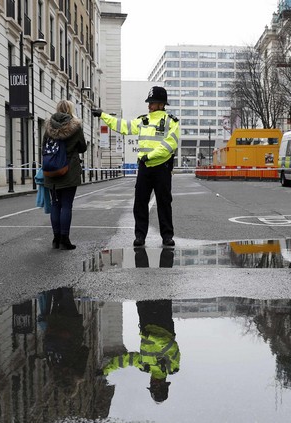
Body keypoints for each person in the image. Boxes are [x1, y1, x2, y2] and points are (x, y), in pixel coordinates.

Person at [93, 86, 180, 247]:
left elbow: (170, 144)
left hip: (161, 167)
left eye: (152, 103)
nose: (149, 106)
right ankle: (140, 236)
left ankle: (167, 236)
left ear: (161, 104)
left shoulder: (171, 121)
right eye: (149, 103)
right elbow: (123, 126)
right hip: (146, 168)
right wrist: (103, 115)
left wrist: (149, 156)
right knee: (140, 203)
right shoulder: (143, 120)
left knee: (164, 203)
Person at [102, 248, 178, 403]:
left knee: (142, 284)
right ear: (163, 384)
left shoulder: (145, 366)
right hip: (163, 322)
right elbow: (171, 346)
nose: (152, 383)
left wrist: (105, 370)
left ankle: (140, 251)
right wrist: (151, 337)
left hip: (146, 320)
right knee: (163, 283)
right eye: (155, 385)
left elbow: (126, 360)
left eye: (152, 386)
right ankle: (168, 251)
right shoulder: (172, 367)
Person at [43, 100, 87, 250]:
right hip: (69, 170)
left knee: (56, 204)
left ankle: (55, 239)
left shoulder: (49, 126)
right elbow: (82, 147)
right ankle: (65, 239)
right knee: (66, 205)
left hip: (52, 170)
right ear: (70, 109)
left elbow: (44, 146)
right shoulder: (75, 126)